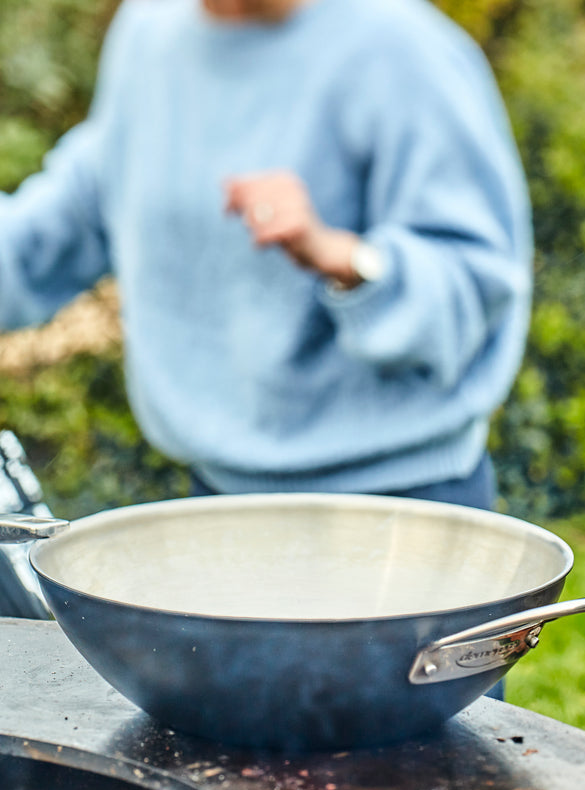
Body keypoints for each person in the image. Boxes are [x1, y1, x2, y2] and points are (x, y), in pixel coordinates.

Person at [0, 0, 533, 513]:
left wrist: (346, 259)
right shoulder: (147, 33)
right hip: (219, 504)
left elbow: (478, 283)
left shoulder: (401, 47)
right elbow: (62, 225)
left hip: (403, 507)